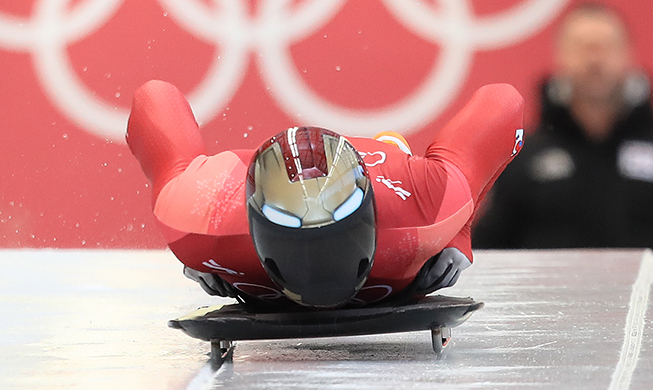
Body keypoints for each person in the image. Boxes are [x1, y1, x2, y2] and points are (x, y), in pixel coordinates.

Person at [126, 80, 524, 308]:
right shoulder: (200, 219)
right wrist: (456, 234)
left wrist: (458, 232)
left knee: (404, 155)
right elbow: (153, 97)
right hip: (237, 185)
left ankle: (388, 146)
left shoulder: (427, 205)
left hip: (388, 175)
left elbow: (506, 103)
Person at [473, 2, 653, 249]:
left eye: (606, 46)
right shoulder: (523, 154)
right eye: (582, 47)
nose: (595, 59)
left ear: (628, 53)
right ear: (561, 55)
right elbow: (489, 246)